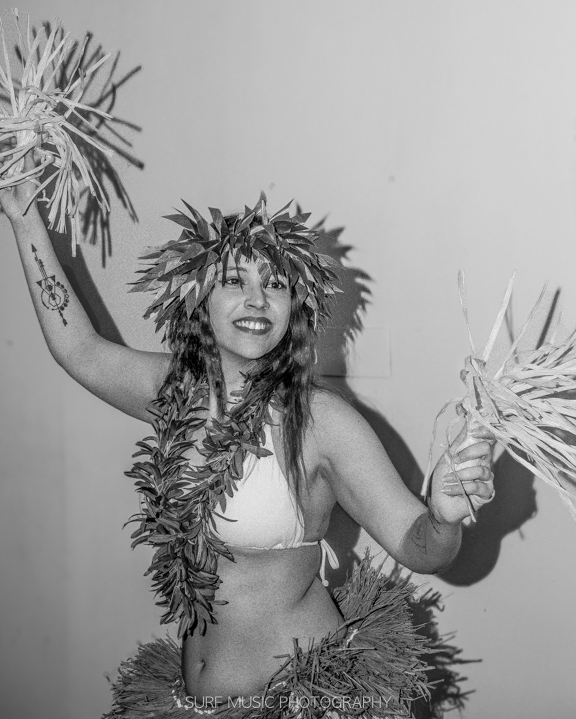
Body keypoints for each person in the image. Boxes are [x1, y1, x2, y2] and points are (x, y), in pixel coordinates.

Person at [1, 174, 495, 719]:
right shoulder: (172, 392)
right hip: (194, 700)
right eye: (235, 280)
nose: (257, 300)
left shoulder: (319, 422)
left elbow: (421, 550)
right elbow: (78, 349)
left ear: (294, 306)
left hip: (301, 702)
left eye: (276, 284)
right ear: (198, 297)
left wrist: (443, 518)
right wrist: (24, 218)